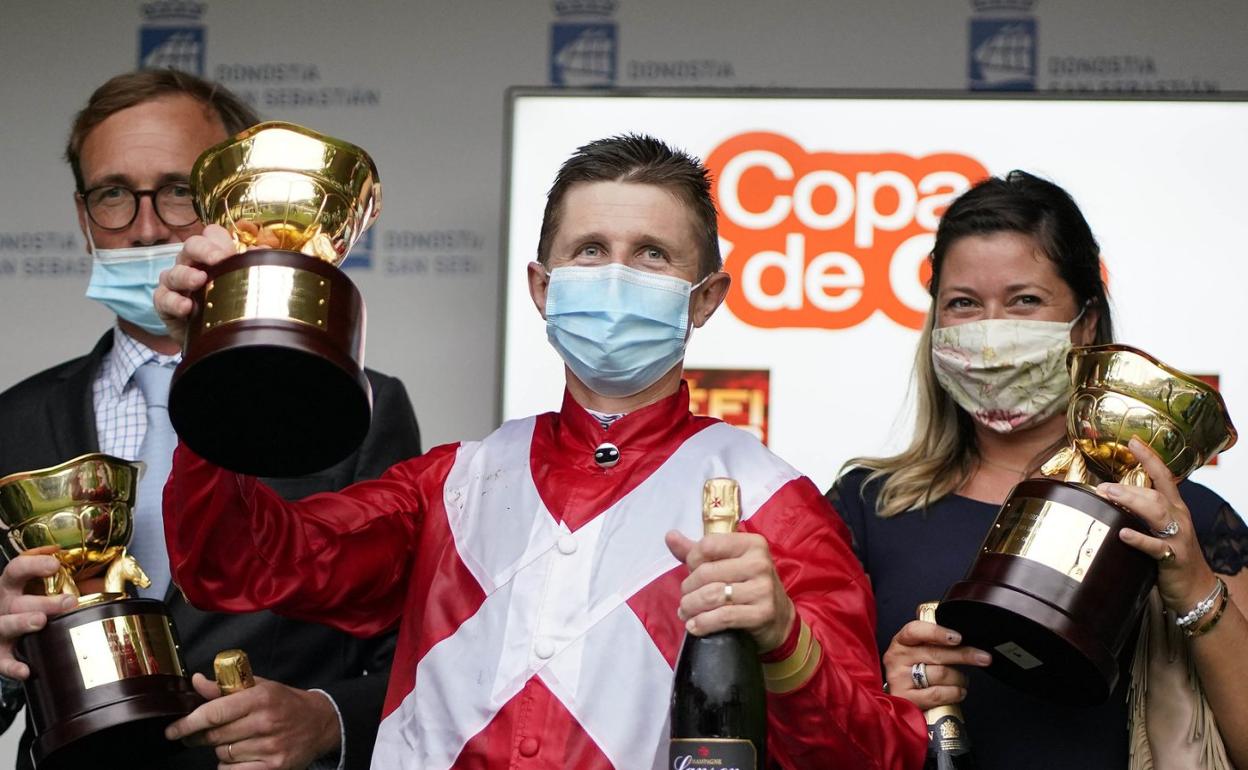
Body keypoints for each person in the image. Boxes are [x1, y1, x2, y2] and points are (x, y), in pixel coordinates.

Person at [150, 134, 929, 769]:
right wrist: (213, 358)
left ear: (706, 299)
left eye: (652, 254)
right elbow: (236, 563)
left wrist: (786, 642)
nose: (616, 274)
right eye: (589, 249)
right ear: (542, 287)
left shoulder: (774, 505)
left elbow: (878, 756)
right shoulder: (451, 484)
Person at [0, 70, 421, 770]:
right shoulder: (14, 420)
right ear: (82, 216)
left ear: (239, 199)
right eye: (113, 194)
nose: (145, 228)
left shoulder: (359, 406)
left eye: (177, 191)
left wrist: (325, 719)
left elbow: (420, 655)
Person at [829, 170, 1248, 770]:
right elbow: (803, 727)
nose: (992, 330)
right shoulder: (867, 507)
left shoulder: (1184, 520)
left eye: (1024, 300)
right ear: (935, 323)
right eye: (963, 303)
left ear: (1087, 321)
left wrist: (1195, 589)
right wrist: (885, 692)